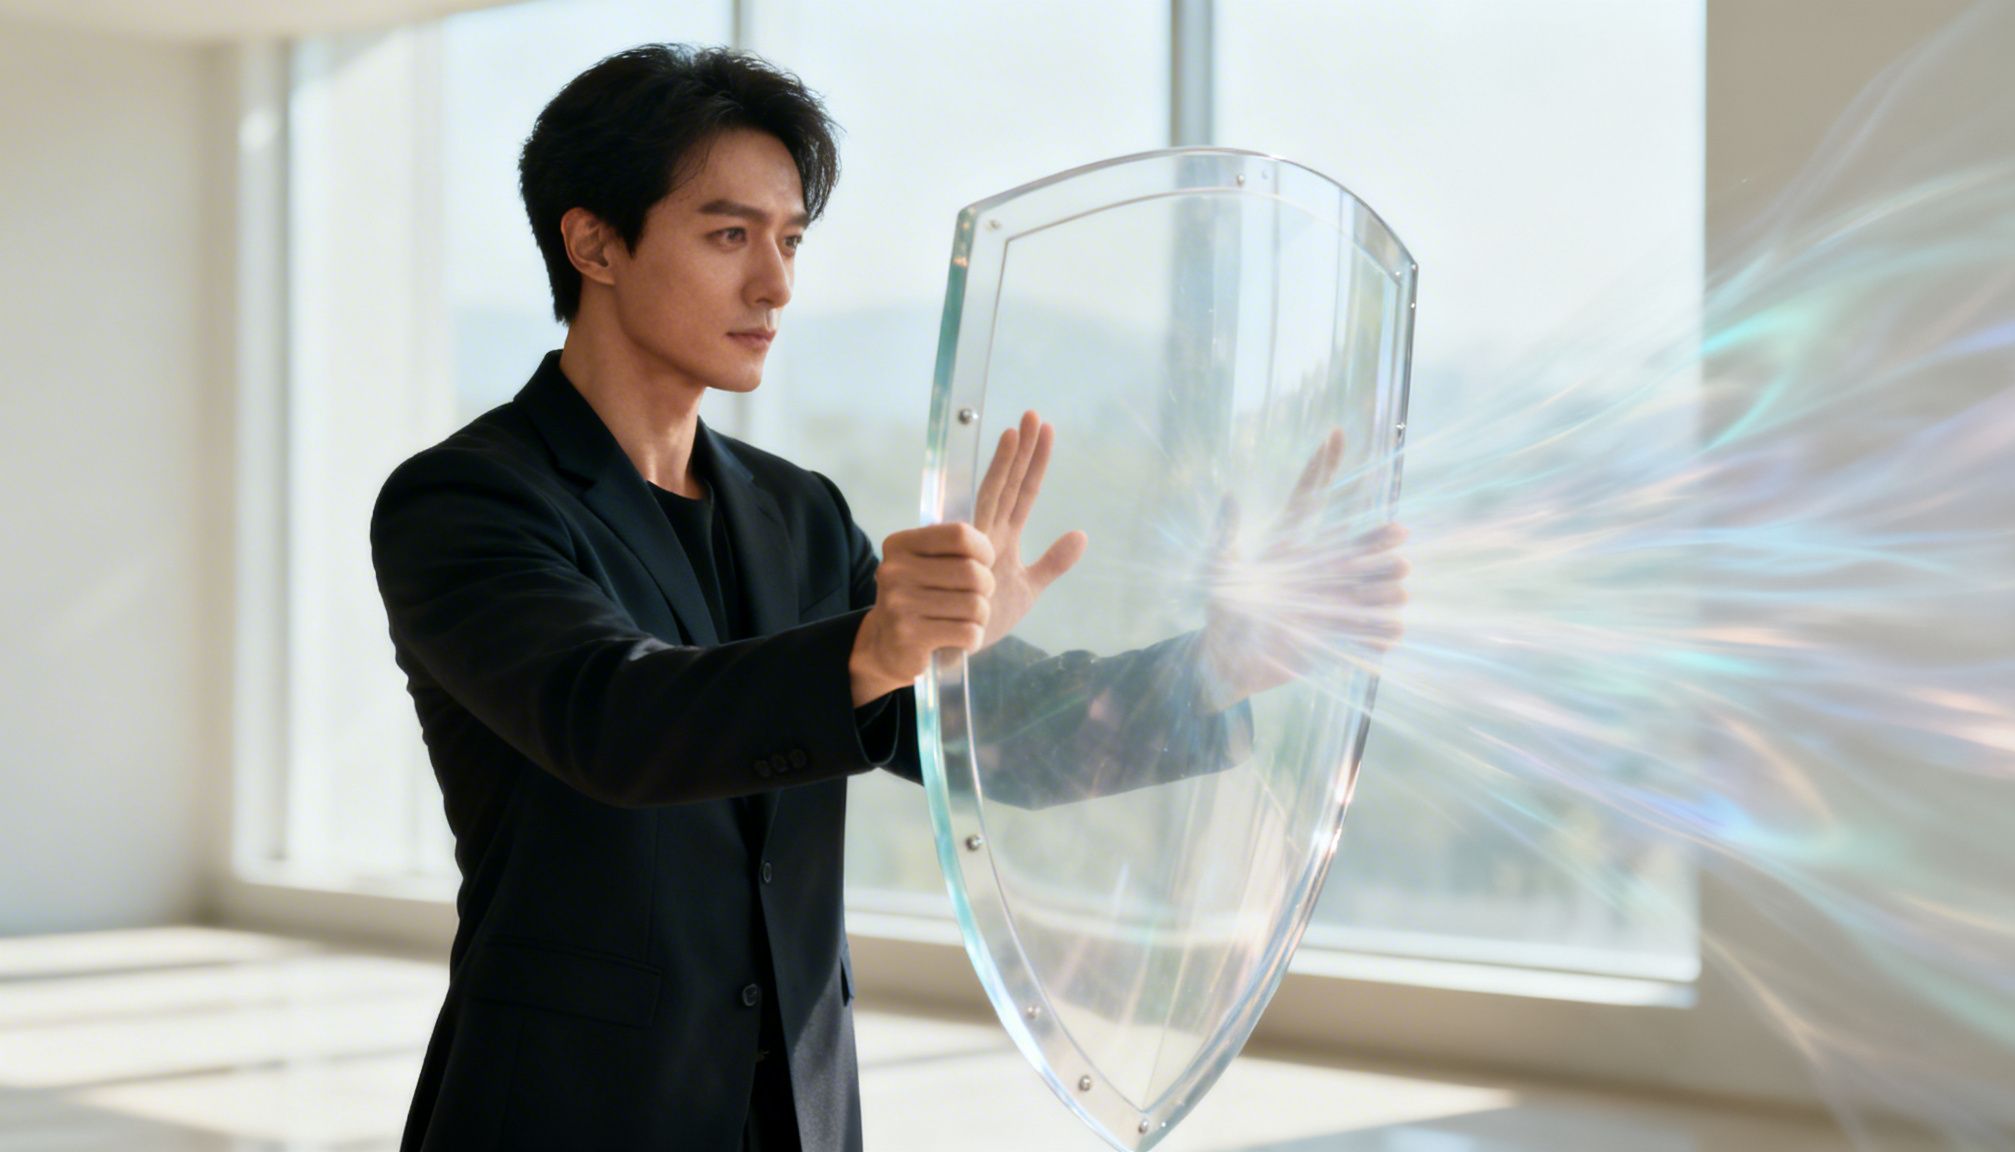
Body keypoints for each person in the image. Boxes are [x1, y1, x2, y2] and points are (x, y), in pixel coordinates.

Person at [373, 42, 1406, 1152]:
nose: (774, 284)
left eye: (789, 240)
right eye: (729, 235)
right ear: (593, 243)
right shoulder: (465, 501)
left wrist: (1225, 660)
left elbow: (997, 741)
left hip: (802, 1118)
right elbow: (614, 720)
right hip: (564, 1112)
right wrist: (876, 648)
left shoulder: (795, 510)